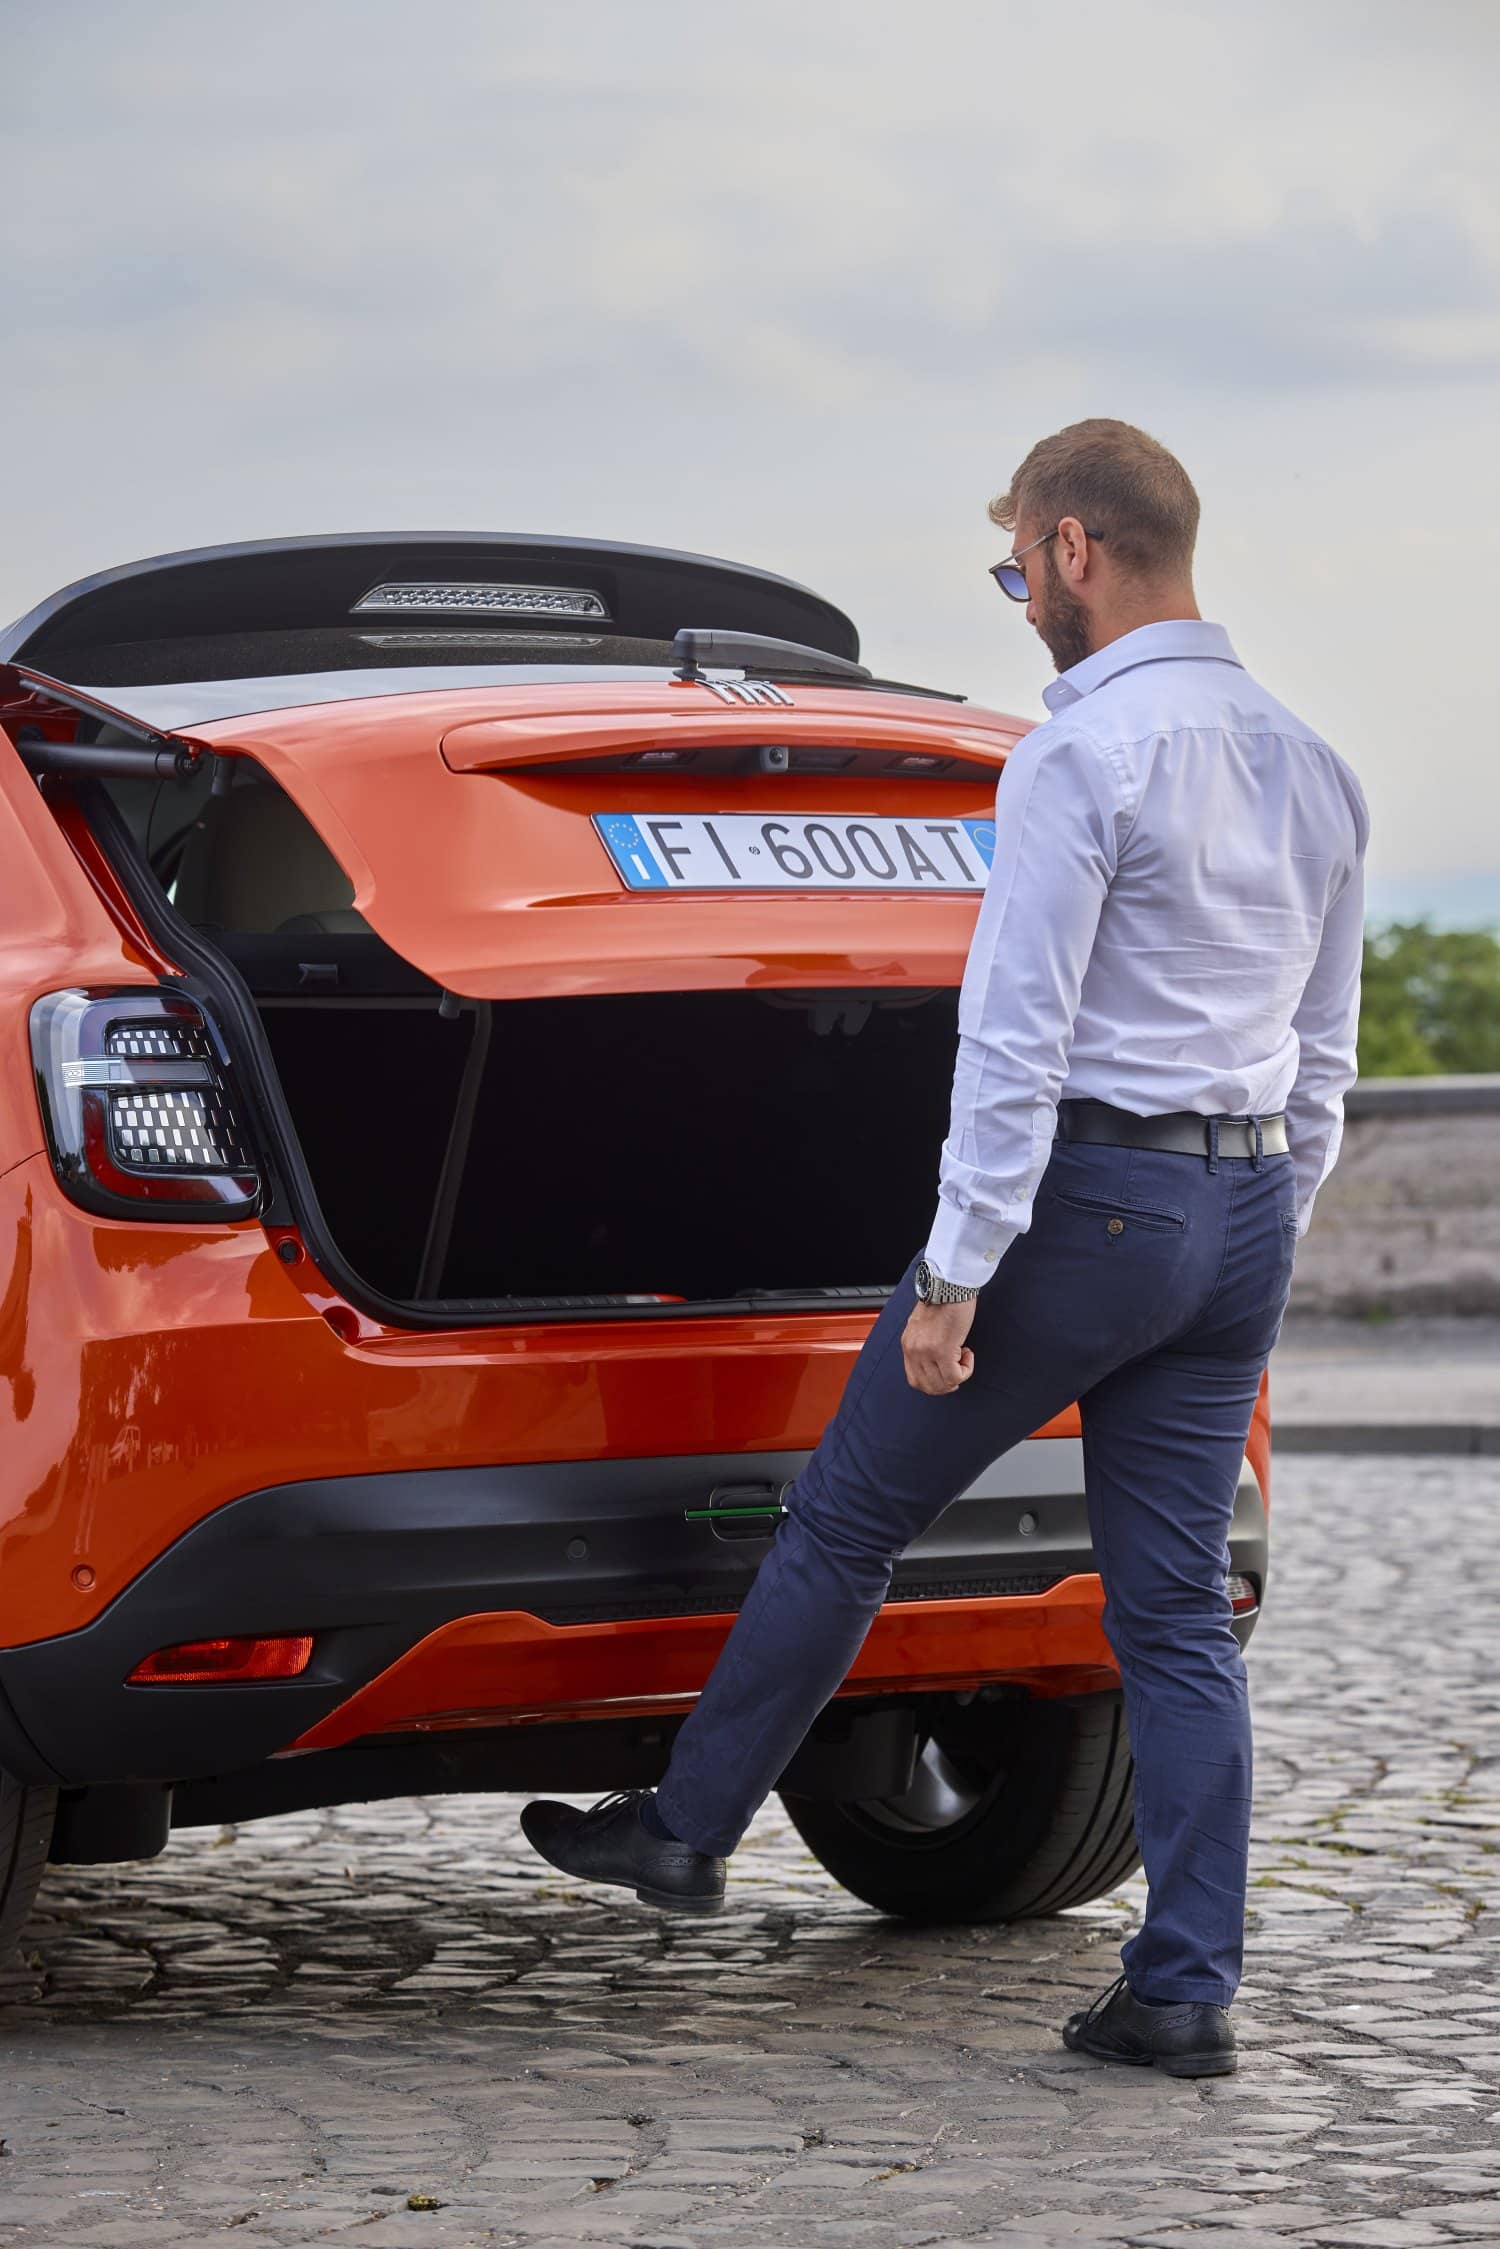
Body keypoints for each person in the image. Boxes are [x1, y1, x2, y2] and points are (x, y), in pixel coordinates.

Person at [521, 419, 1368, 2079]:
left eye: (1016, 568)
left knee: (847, 1513)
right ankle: (1186, 1986)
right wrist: (1259, 1241)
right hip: (1243, 1209)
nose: (1019, 603)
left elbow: (1017, 1035)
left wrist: (958, 1269)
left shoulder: (1081, 757)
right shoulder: (1311, 758)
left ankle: (687, 1830)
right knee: (1177, 1617)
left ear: (1072, 550)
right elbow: (1320, 1056)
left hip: (1083, 1208)